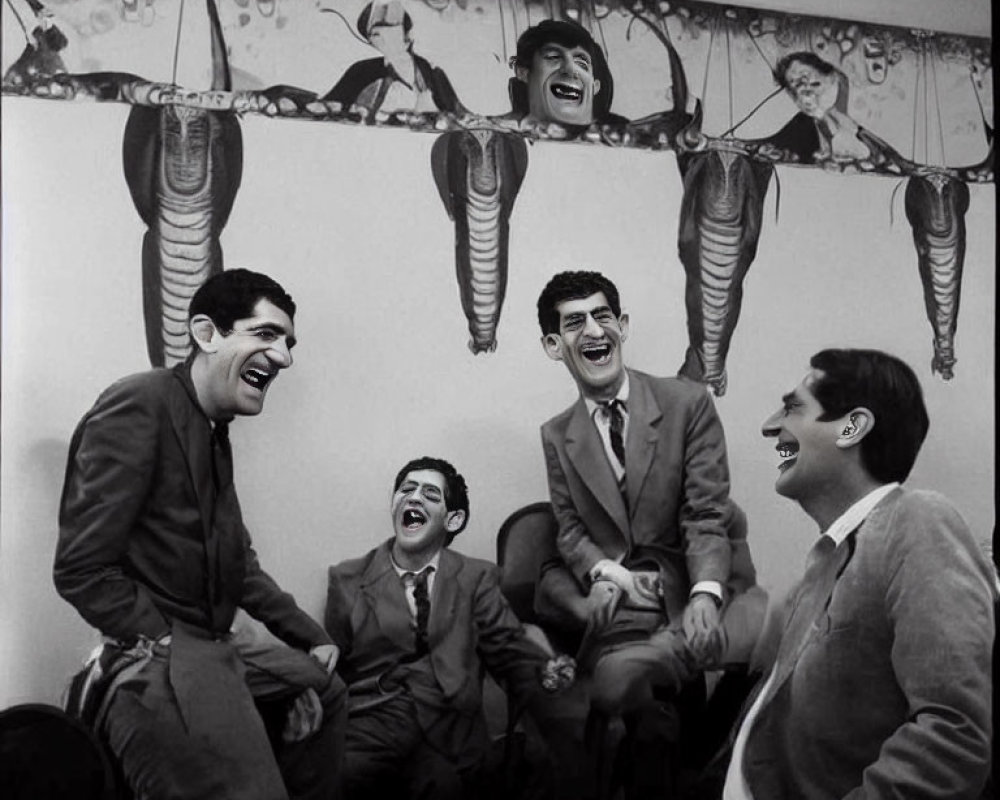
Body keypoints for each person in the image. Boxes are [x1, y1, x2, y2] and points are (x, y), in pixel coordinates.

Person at [54, 268, 346, 800]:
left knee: (326, 689)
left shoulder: (214, 432)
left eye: (288, 343)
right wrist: (162, 639)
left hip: (213, 644)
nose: (283, 357)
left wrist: (311, 635)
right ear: (207, 334)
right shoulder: (140, 403)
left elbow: (239, 564)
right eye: (265, 335)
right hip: (166, 656)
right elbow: (80, 569)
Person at [722, 348, 994, 799]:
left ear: (852, 427)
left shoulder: (917, 520)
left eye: (792, 408)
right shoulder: (820, 571)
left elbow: (953, 734)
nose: (771, 426)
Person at [534, 270, 762, 796]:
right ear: (554, 344)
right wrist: (609, 573)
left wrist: (707, 591)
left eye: (603, 315)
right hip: (618, 613)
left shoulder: (689, 404)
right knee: (642, 728)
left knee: (686, 726)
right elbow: (569, 530)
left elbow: (707, 512)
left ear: (623, 325)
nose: (593, 330)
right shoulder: (554, 435)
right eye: (574, 323)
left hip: (689, 587)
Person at [324, 456, 577, 800]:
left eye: (430, 494)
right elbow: (335, 664)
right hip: (374, 721)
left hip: (451, 723)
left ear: (453, 519)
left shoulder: (477, 577)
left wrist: (544, 672)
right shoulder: (348, 579)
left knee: (460, 782)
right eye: (406, 490)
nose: (413, 498)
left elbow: (506, 645)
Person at [321, 0, 463, 115]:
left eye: (388, 27)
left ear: (407, 34)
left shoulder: (432, 73)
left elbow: (459, 115)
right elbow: (328, 105)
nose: (380, 36)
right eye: (373, 34)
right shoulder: (361, 71)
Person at [506, 19, 627, 130]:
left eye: (581, 63)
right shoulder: (502, 133)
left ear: (595, 86)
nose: (570, 69)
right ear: (523, 73)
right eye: (554, 57)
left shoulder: (626, 136)